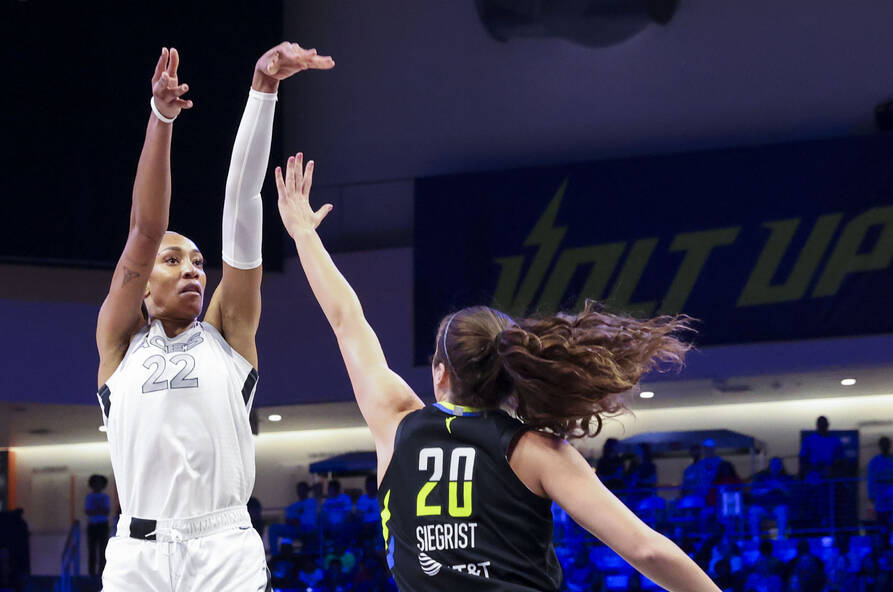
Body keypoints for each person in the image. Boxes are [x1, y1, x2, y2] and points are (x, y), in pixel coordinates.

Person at [275, 154, 721, 592]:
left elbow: (346, 319)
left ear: (439, 372)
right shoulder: (535, 451)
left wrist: (303, 234)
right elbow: (647, 551)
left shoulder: (395, 423)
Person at [95, 44, 332, 592]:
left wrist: (263, 89)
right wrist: (161, 118)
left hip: (224, 548)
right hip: (138, 555)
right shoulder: (118, 344)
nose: (193, 271)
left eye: (199, 263)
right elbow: (144, 229)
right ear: (143, 282)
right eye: (174, 261)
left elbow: (242, 201)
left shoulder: (228, 331)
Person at [867, 436, 893, 521]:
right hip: (880, 493)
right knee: (882, 517)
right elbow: (871, 479)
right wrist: (871, 495)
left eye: (886, 445)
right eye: (883, 445)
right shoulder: (874, 462)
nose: (885, 447)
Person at [84, 474, 111, 577]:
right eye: (96, 483)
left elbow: (106, 511)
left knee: (103, 550)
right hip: (92, 525)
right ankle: (91, 573)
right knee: (92, 550)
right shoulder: (89, 496)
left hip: (103, 525)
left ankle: (102, 572)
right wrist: (99, 510)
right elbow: (88, 511)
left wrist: (96, 511)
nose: (97, 485)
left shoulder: (105, 497)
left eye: (99, 483)